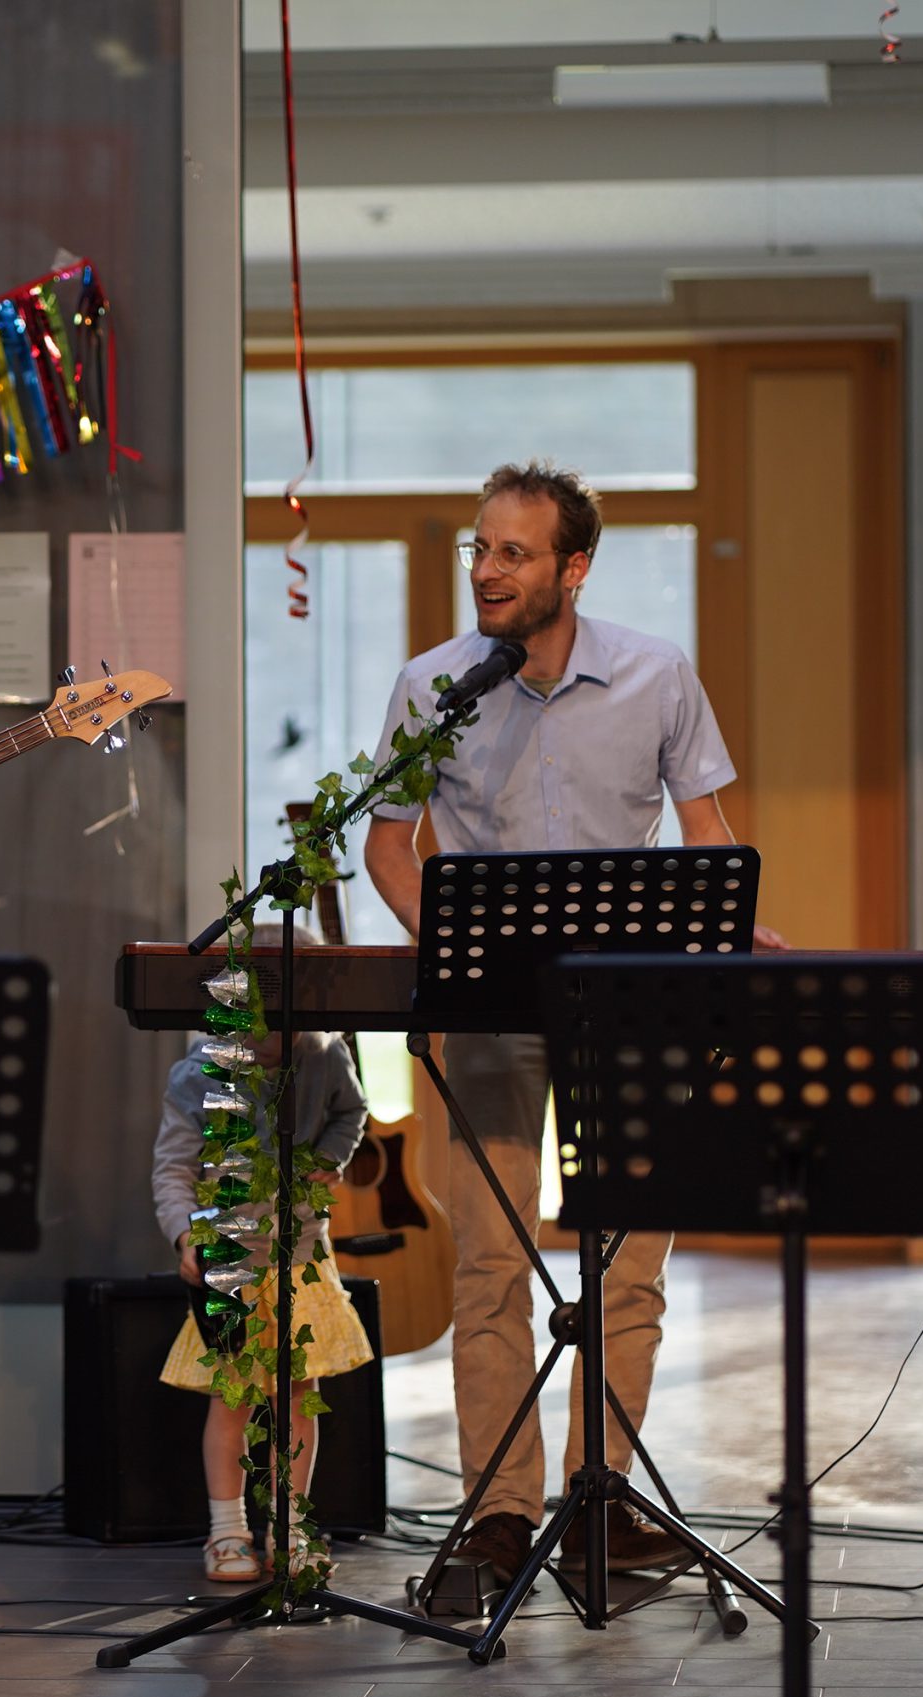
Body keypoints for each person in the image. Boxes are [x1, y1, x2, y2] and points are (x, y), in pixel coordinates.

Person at [362, 459, 782, 1583]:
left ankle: (601, 1503)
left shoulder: (656, 674)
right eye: (480, 549)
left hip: (632, 1005)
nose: (487, 571)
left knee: (626, 1269)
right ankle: (500, 1516)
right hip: (491, 1012)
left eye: (513, 552)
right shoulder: (431, 686)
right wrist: (448, 949)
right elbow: (389, 844)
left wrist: (731, 929)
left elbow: (708, 834)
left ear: (573, 567)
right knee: (490, 1267)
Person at [149, 985, 372, 1582]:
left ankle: (291, 1528)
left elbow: (352, 1111)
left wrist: (330, 1158)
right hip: (230, 1255)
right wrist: (184, 1235)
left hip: (299, 1255)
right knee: (233, 1397)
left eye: (288, 1027)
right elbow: (173, 1166)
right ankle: (227, 1532)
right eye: (260, 1024)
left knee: (298, 1396)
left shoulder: (325, 1054)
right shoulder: (199, 1071)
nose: (274, 1039)